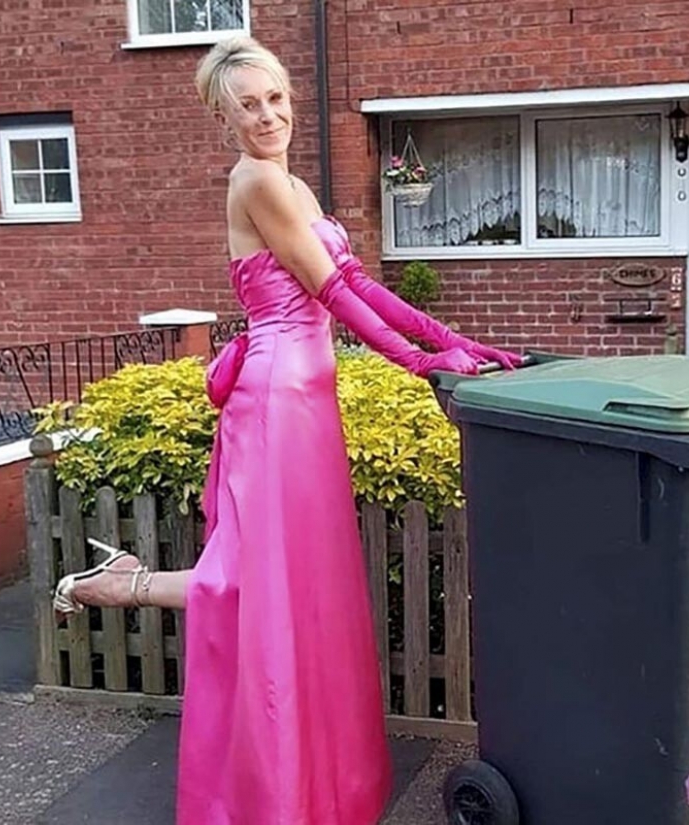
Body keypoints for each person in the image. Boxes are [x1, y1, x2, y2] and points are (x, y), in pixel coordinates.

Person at [51, 36, 521, 824]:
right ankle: (126, 591)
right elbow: (332, 288)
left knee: (300, 593)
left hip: (307, 404)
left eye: (275, 98)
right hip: (273, 403)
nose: (266, 115)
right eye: (247, 105)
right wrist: (416, 362)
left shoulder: (296, 182)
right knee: (256, 589)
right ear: (222, 117)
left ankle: (307, 783)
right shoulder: (258, 180)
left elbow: (360, 278)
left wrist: (453, 341)